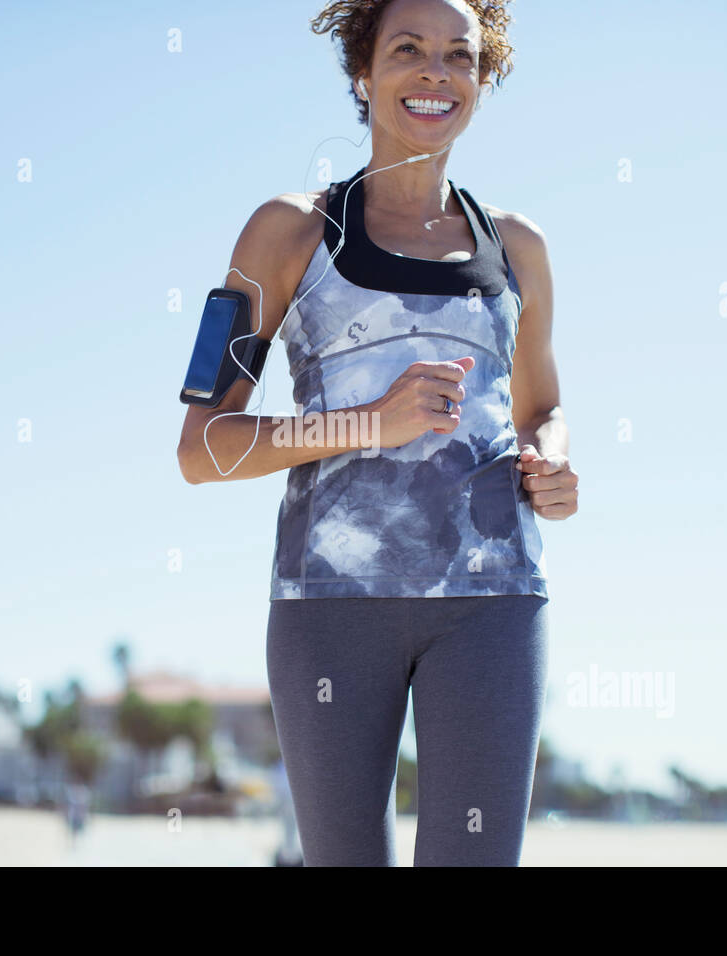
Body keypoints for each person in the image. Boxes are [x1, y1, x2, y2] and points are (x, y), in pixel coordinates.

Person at [176, 0, 578, 866]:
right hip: (329, 612)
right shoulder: (285, 232)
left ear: (484, 77)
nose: (436, 72)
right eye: (409, 49)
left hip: (495, 605)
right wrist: (370, 422)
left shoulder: (520, 248)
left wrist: (555, 460)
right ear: (363, 72)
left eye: (460, 56)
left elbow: (542, 405)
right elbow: (200, 448)